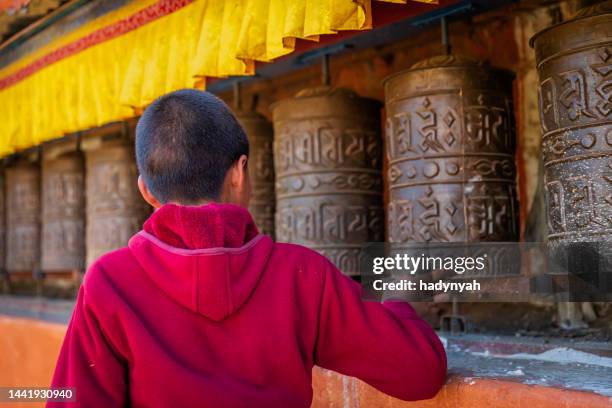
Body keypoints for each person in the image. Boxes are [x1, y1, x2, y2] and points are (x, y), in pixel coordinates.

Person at [48, 89, 446, 407]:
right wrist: (395, 300)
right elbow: (420, 372)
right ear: (239, 173)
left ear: (146, 191)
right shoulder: (302, 275)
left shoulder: (109, 283)